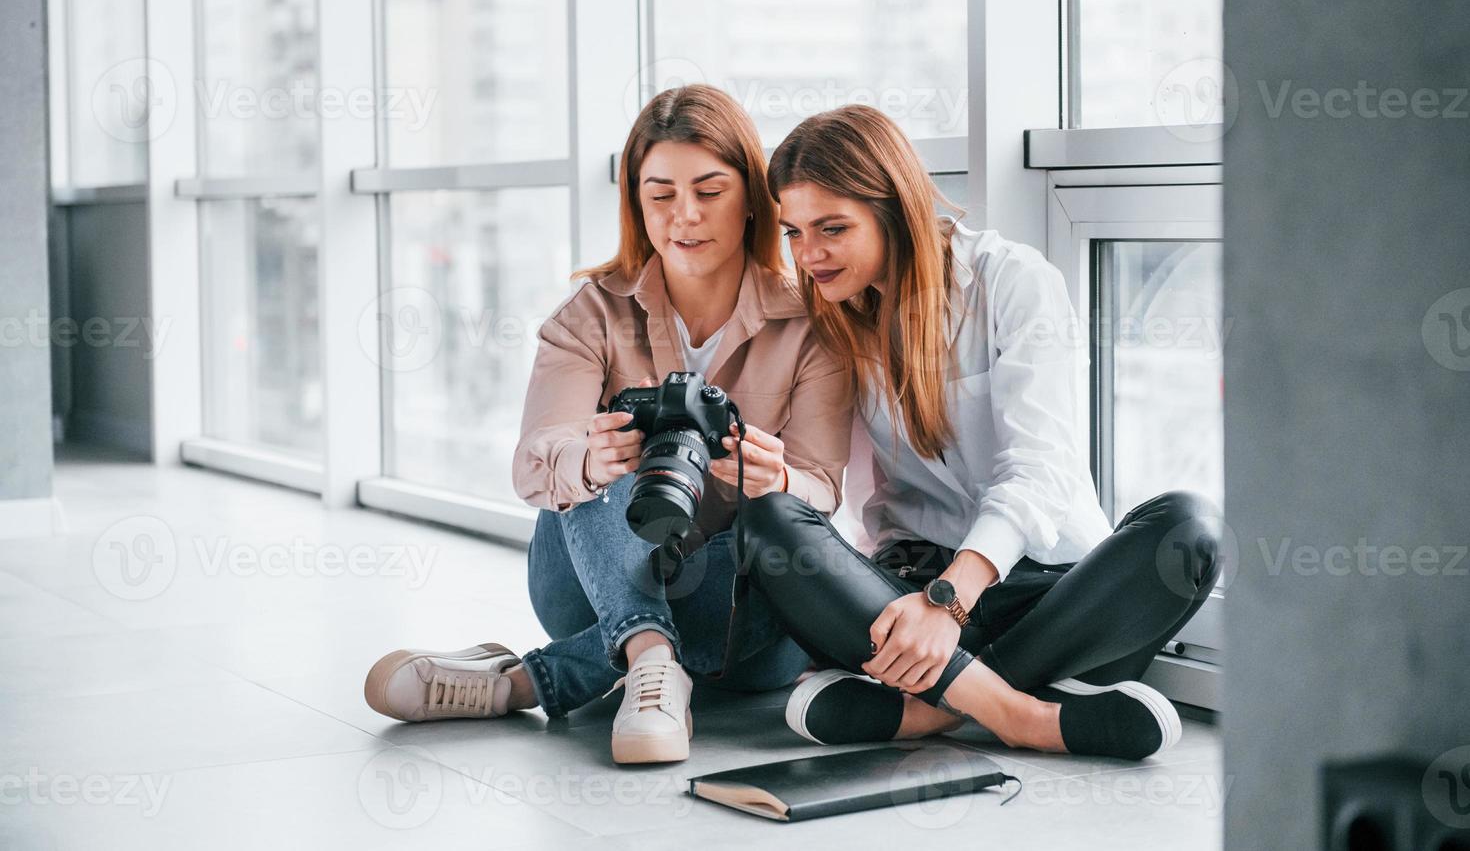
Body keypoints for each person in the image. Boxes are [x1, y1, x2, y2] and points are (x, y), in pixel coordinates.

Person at [362, 86, 852, 765]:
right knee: (596, 459)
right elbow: (535, 463)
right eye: (661, 194)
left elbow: (825, 487)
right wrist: (592, 458)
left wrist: (781, 475)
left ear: (751, 198)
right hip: (589, 587)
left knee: (781, 544)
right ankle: (650, 660)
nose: (685, 215)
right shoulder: (591, 314)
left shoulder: (810, 325)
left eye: (710, 191)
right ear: (635, 202)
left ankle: (527, 679)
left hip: (742, 609)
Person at [742, 105, 1221, 760]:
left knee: (1189, 528)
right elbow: (819, 489)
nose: (809, 254)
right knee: (769, 521)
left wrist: (949, 604)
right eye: (793, 232)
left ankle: (927, 712)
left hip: (1042, 594)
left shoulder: (1013, 282)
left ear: (894, 208)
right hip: (904, 593)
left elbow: (1041, 468)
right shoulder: (831, 316)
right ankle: (1027, 714)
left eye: (832, 228)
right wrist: (773, 472)